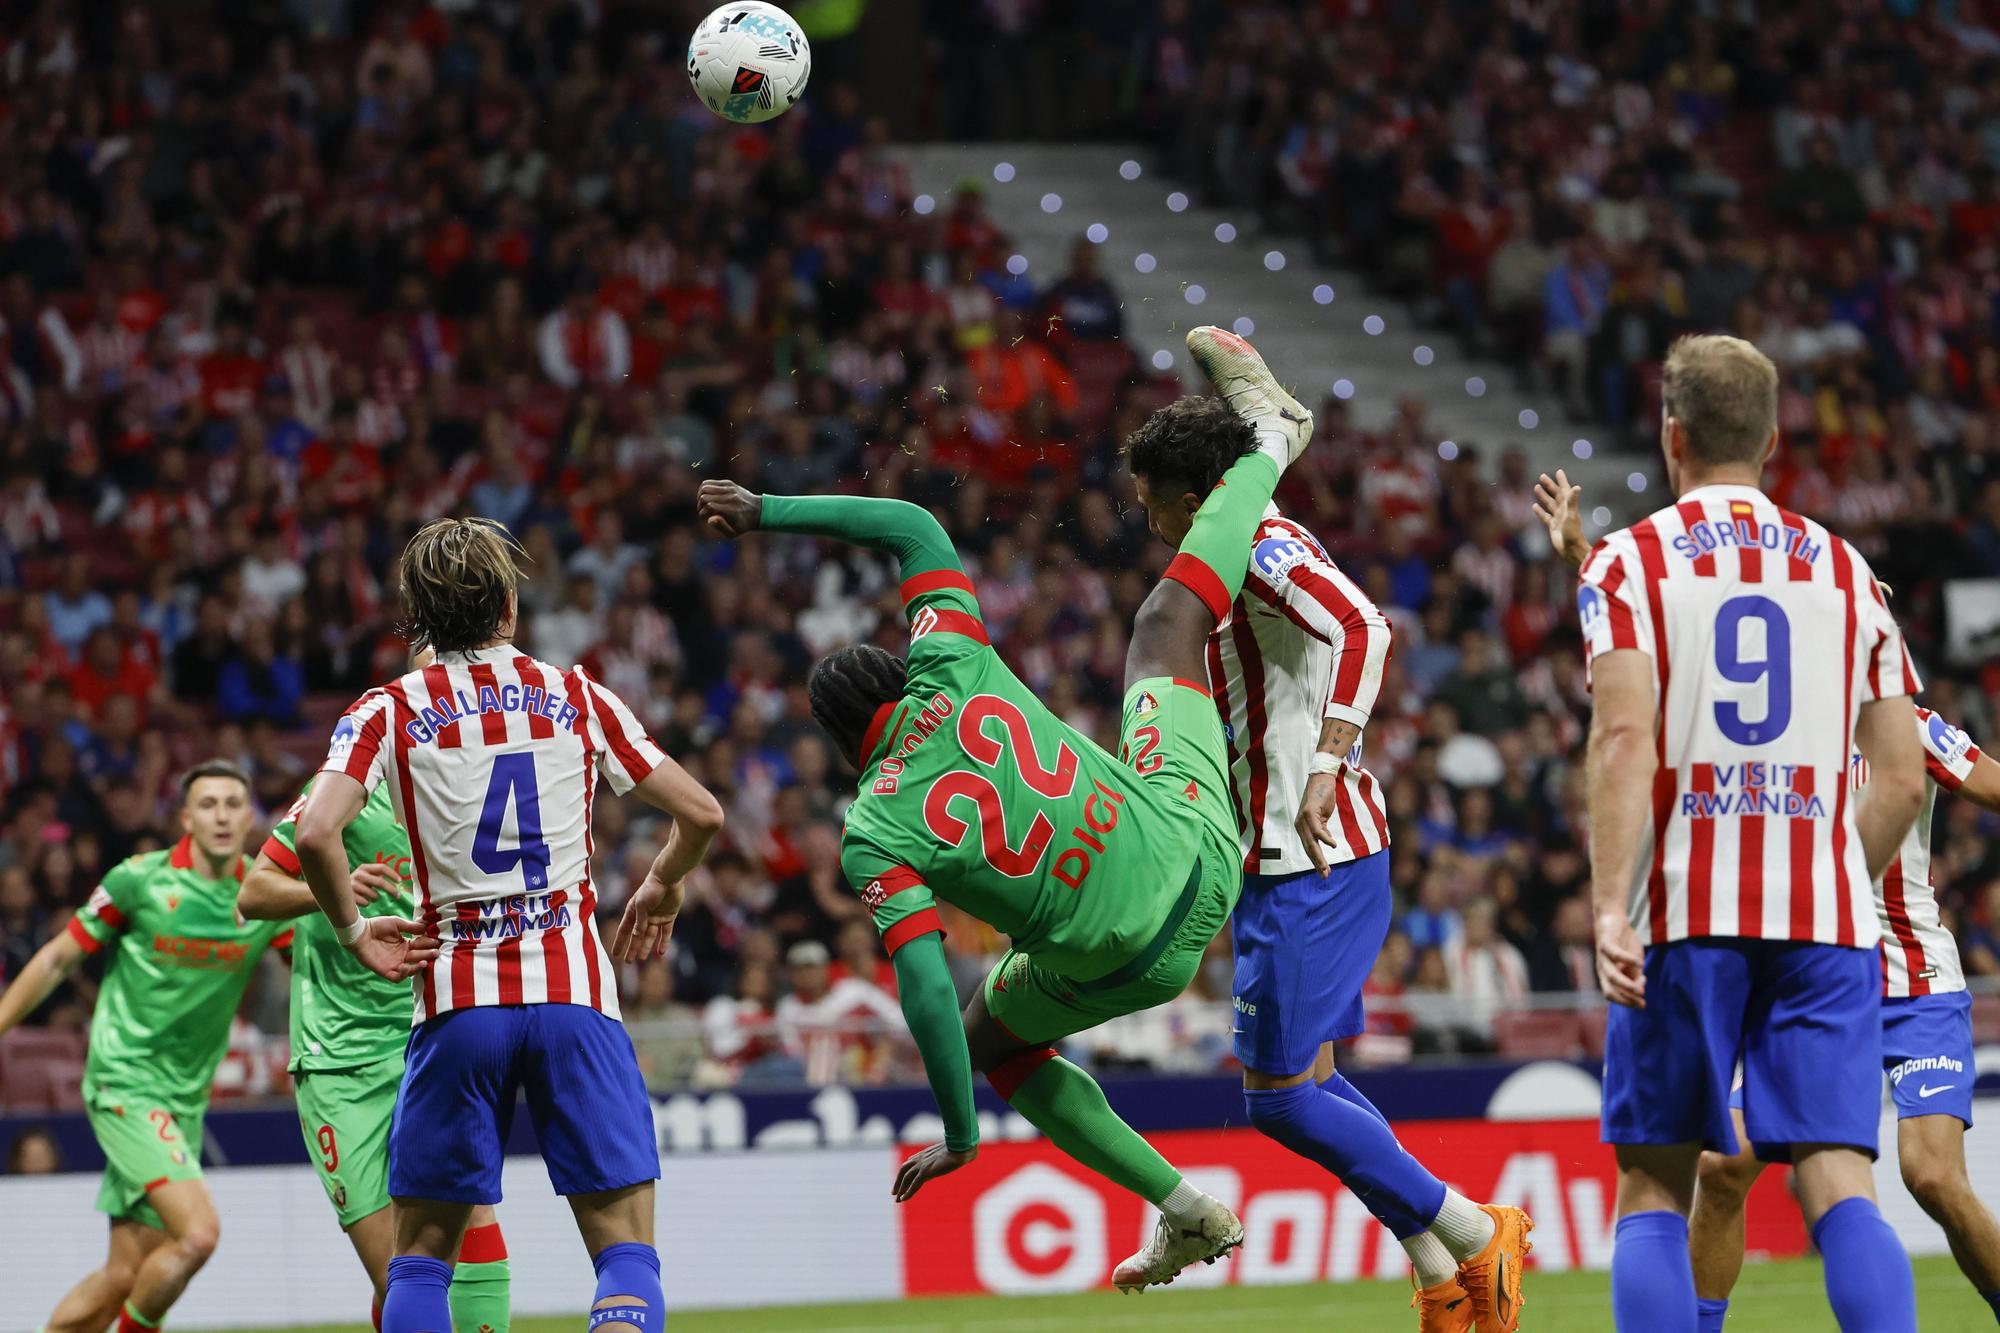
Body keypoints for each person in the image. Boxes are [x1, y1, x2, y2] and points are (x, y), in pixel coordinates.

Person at [696, 327, 1308, 1291]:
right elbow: (912, 528)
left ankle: (1182, 1207)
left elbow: (930, 991)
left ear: (837, 743)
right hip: (1200, 842)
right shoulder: (952, 655)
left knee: (995, 1038)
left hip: (1135, 964)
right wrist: (765, 506)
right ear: (898, 669)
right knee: (1162, 633)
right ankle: (1271, 442)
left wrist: (960, 1132)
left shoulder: (872, 830)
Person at [1541, 470, 2000, 1329]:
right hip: (1812, 960)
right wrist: (1582, 555)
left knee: (1931, 1175)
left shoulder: (1919, 728)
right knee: (1725, 1169)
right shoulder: (1783, 720)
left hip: (1906, 970)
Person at [1125, 391, 1532, 1329]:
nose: (1146, 521)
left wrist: (1325, 762)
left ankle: (1474, 1230)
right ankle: (1437, 1271)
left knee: (1275, 1102)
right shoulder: (1226, 554)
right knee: (1313, 1083)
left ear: (1192, 499)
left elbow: (1364, 626)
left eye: (1152, 500)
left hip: (1313, 853)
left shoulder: (1262, 547)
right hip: (1283, 858)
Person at [291, 517, 725, 1333]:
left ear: (417, 619)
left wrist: (352, 929)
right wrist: (662, 882)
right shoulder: (576, 694)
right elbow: (701, 811)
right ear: (510, 607)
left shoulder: (385, 709)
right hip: (574, 998)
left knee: (419, 1261)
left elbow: (314, 832)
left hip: (459, 1000)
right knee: (626, 1254)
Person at [1576, 334, 1924, 1332]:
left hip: (1683, 909)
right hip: (1822, 920)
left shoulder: (1626, 559)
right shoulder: (1847, 569)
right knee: (1836, 1179)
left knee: (1653, 1179)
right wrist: (1827, 872)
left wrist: (1608, 903)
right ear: (1770, 439)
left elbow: (1622, 735)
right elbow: (1899, 776)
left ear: (1668, 432)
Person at [0, 761, 289, 1333]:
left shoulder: (260, 895)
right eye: (208, 804)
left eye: (234, 803)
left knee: (125, 1277)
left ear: (251, 816)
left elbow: (310, 965)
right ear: (184, 818)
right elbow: (60, 957)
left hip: (183, 1103)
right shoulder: (139, 880)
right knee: (199, 1234)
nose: (223, 815)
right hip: (124, 1083)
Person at [240, 760, 512, 1330]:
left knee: (473, 1224)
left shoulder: (481, 790)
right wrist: (330, 893)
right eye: (428, 663)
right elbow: (255, 892)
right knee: (401, 1277)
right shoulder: (346, 787)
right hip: (340, 1062)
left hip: (433, 1038)